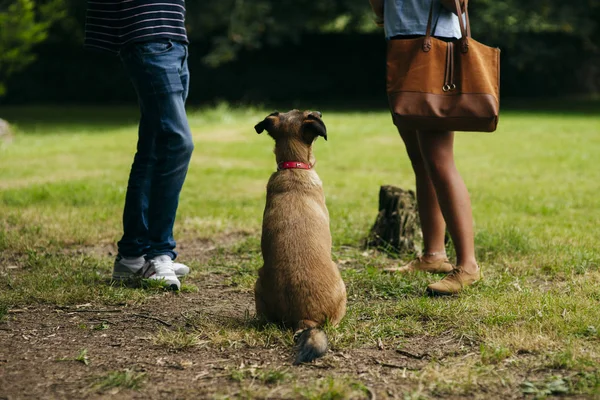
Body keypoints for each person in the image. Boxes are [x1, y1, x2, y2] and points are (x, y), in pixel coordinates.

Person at [369, 0, 481, 295]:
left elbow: (456, 3)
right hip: (402, 41)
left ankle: (468, 265)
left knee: (439, 161)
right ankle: (434, 255)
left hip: (437, 44)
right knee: (421, 160)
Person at [85, 0, 194, 291]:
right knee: (178, 142)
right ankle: (159, 252)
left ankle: (132, 257)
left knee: (153, 149)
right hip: (148, 38)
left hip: (173, 38)